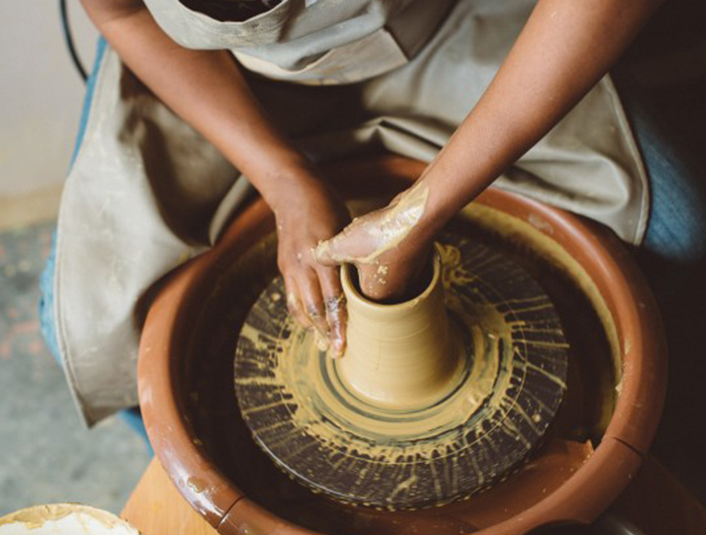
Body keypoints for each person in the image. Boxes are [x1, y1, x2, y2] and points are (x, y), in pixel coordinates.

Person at [41, 0, 706, 427]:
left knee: (680, 229)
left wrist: (427, 205)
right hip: (228, 78)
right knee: (93, 327)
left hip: (451, 27)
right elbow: (125, 13)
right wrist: (279, 173)